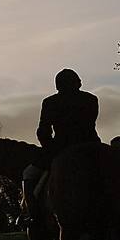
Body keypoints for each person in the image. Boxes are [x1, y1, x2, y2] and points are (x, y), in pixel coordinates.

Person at [21, 68, 100, 224]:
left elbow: (43, 131)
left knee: (29, 174)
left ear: (58, 85)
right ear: (78, 83)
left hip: (61, 148)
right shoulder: (91, 99)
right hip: (91, 146)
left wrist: (49, 148)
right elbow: (89, 125)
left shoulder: (50, 102)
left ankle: (33, 216)